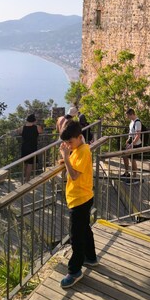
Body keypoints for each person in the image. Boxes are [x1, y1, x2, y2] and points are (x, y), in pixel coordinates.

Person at [59, 120, 98, 288]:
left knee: (76, 237)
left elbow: (74, 175)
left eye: (70, 142)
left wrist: (65, 157)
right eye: (66, 143)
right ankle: (91, 257)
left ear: (80, 137)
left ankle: (75, 270)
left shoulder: (83, 151)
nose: (68, 145)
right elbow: (74, 165)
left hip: (80, 199)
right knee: (84, 229)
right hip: (81, 197)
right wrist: (66, 158)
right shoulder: (77, 149)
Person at [19, 114, 43, 183]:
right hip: (32, 147)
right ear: (34, 120)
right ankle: (27, 180)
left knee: (25, 163)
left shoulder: (22, 128)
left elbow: (19, 132)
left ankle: (22, 179)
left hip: (24, 147)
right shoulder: (37, 127)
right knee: (30, 164)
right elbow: (41, 131)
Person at [122, 108, 142, 179]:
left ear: (132, 114)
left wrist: (132, 144)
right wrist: (128, 140)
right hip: (131, 142)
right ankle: (127, 172)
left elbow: (138, 135)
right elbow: (131, 132)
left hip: (136, 143)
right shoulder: (132, 122)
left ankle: (134, 176)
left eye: (128, 116)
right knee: (125, 156)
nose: (127, 117)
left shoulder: (137, 122)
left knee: (132, 159)